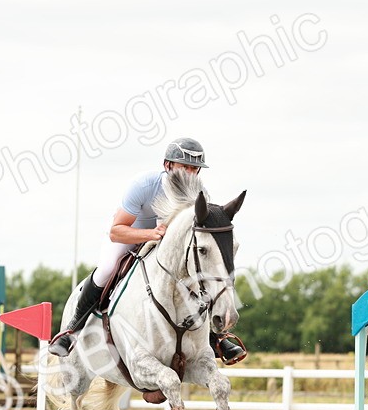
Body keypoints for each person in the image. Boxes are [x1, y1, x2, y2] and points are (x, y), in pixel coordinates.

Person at [49, 137, 247, 363]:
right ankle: (72, 331)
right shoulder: (144, 186)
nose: (190, 173)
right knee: (105, 269)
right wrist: (149, 234)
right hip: (129, 236)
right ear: (168, 165)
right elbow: (117, 231)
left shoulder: (199, 193)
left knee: (198, 279)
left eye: (195, 168)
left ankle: (216, 337)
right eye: (185, 167)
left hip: (165, 248)